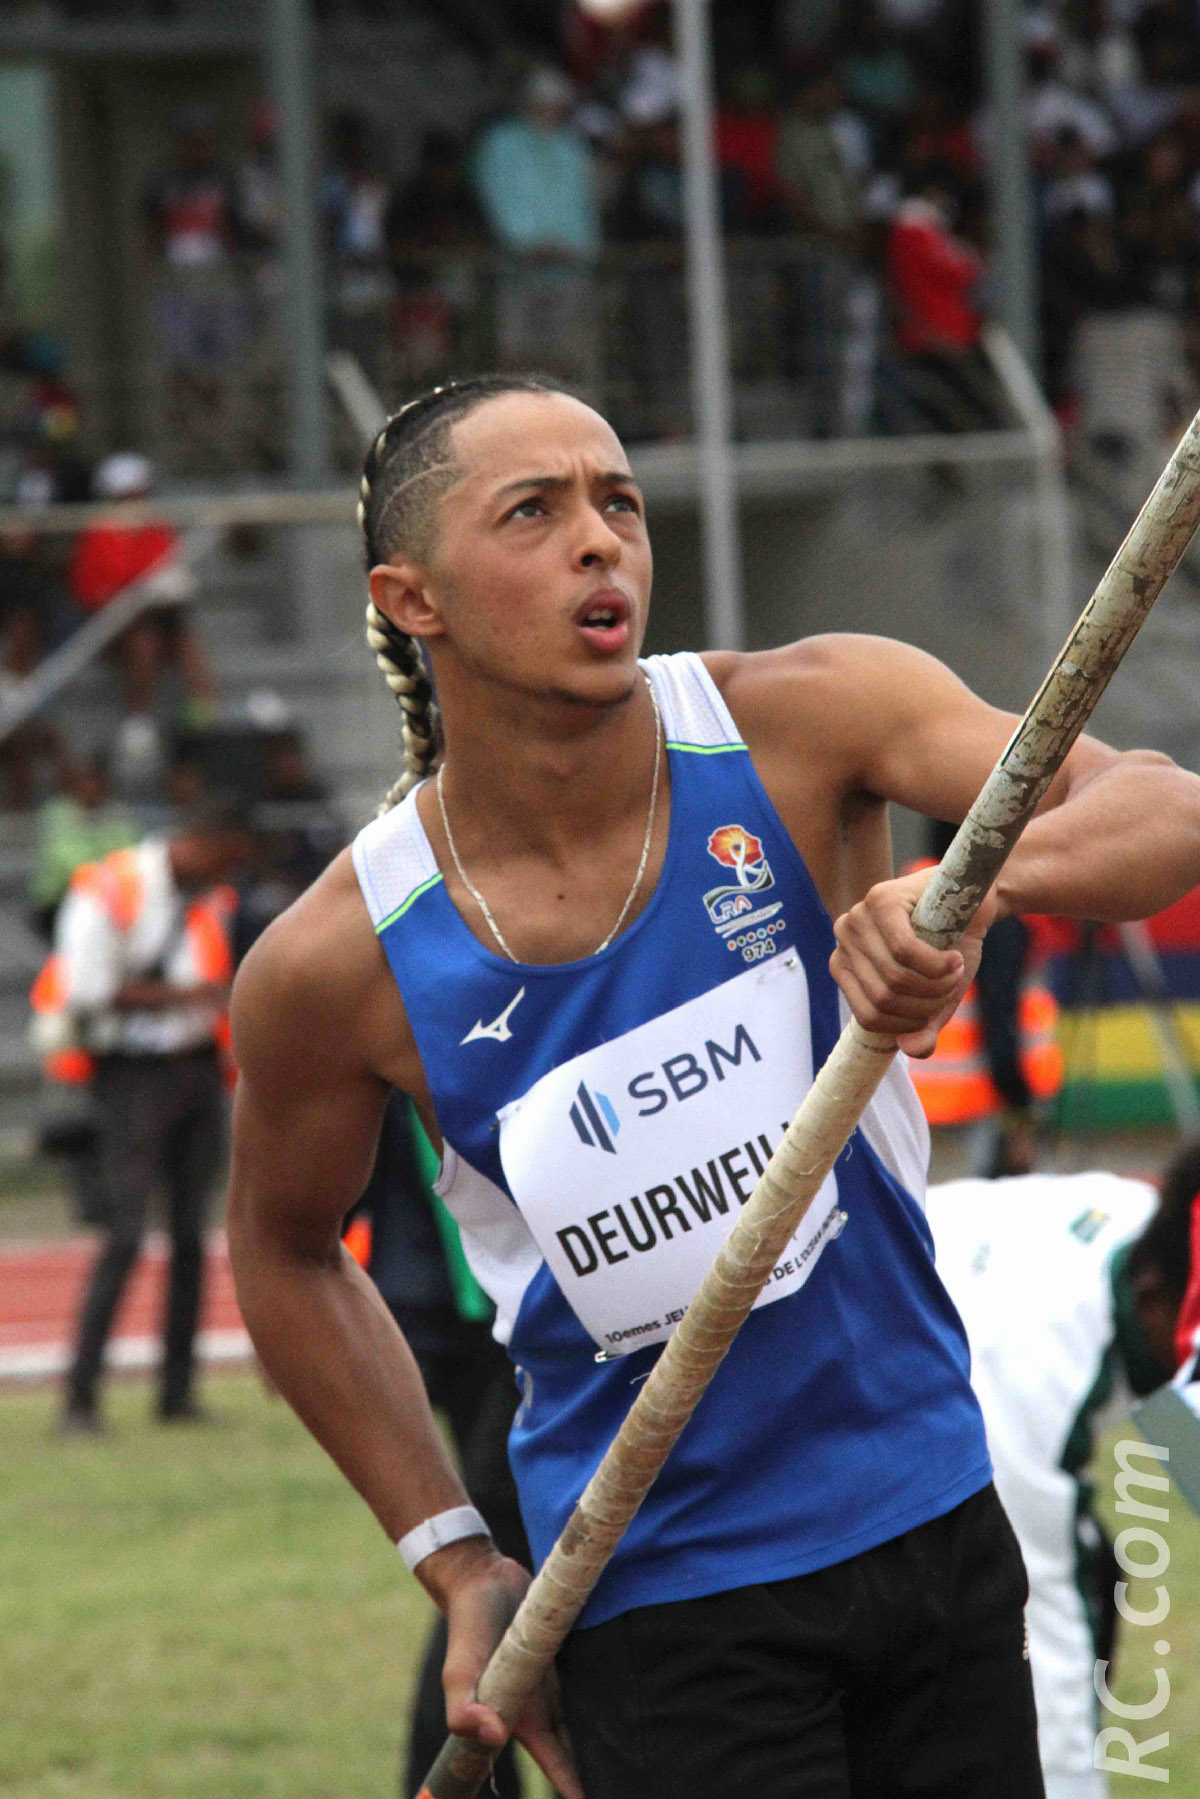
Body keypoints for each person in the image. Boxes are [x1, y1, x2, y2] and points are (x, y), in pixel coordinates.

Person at [226, 374, 1200, 1799]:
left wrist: (969, 885)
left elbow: (1163, 807)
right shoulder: (340, 959)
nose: (599, 539)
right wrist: (454, 1553)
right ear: (411, 596)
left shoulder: (805, 719)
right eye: (533, 511)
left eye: (618, 500)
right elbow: (284, 1248)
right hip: (660, 1598)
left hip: (934, 1516)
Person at [927, 1143, 1200, 1799]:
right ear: (1153, 1299)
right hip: (838, 1423)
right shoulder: (1043, 1359)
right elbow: (1044, 1616)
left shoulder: (1148, 1233)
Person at [56, 805, 252, 1433]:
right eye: (221, 857)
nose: (225, 873)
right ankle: (80, 1397)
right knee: (125, 1233)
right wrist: (184, 997)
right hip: (130, 1076)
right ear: (197, 840)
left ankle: (177, 1394)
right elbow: (86, 989)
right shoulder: (110, 887)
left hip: (196, 1069)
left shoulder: (211, 895)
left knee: (192, 1236)